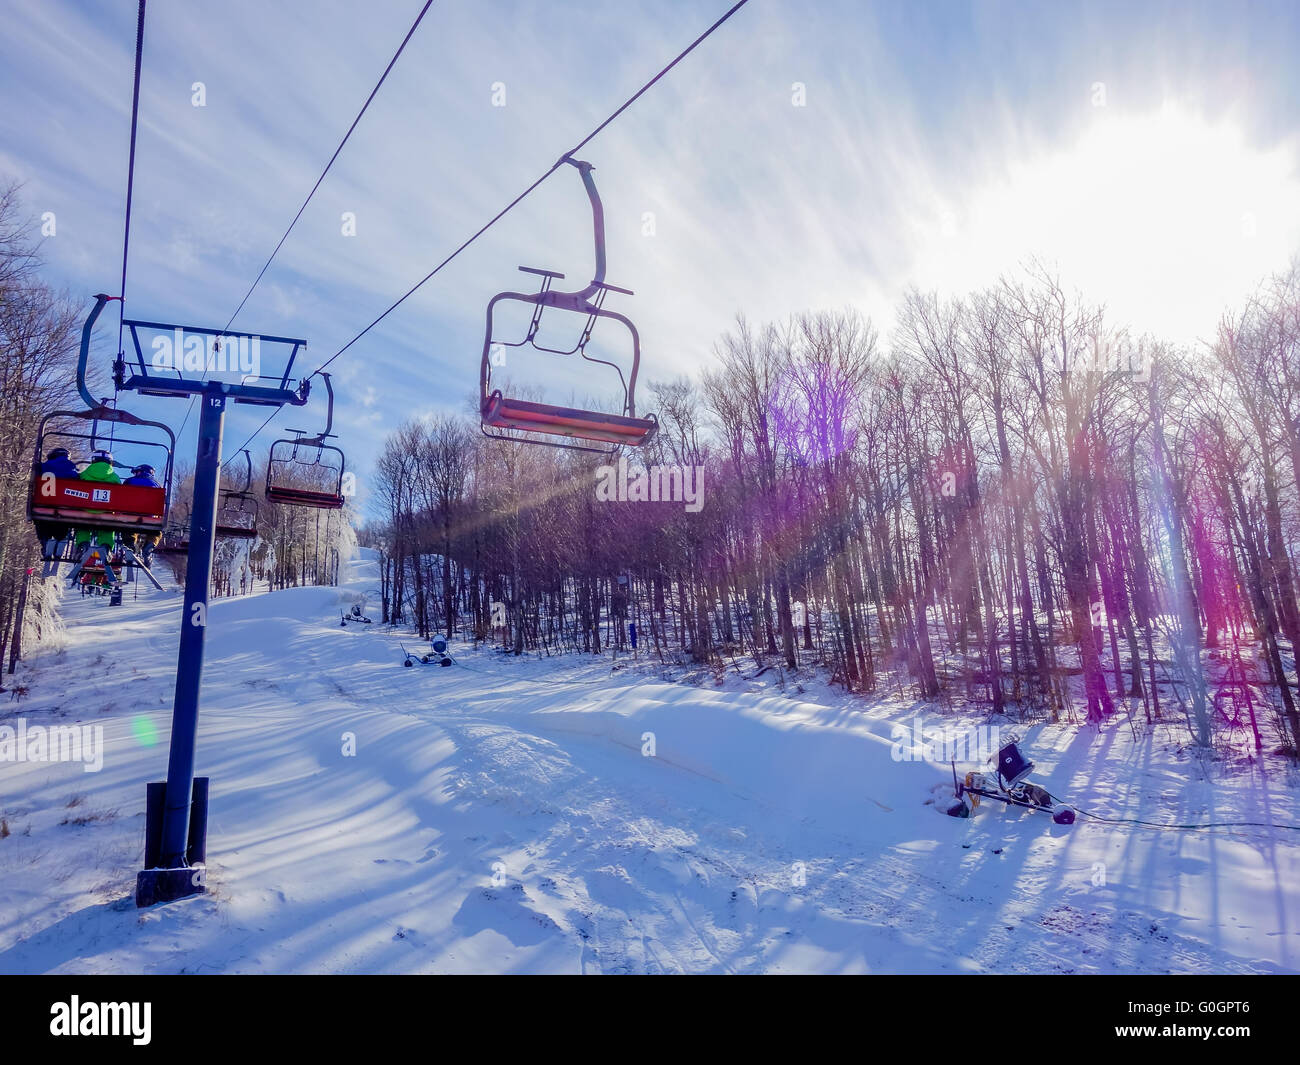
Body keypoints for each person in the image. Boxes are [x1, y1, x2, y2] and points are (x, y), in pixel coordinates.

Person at [75, 449, 121, 559]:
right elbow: (119, 496)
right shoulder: (115, 477)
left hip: (85, 509)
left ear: (93, 460)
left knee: (83, 526)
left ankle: (82, 544)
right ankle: (106, 547)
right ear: (110, 462)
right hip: (106, 511)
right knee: (107, 528)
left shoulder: (84, 474)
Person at [34, 447, 80, 555]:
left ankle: (45, 541)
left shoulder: (43, 467)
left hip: (44, 504)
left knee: (41, 522)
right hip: (64, 507)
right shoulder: (73, 470)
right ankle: (60, 540)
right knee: (64, 522)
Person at [123, 464, 161, 562]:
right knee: (156, 532)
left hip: (131, 514)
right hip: (149, 516)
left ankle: (130, 544)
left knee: (128, 529)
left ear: (140, 472)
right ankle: (149, 545)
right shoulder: (157, 484)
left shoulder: (129, 481)